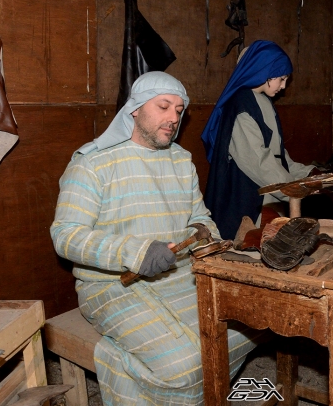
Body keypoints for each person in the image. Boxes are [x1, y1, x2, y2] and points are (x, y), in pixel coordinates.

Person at [50, 72, 262, 405]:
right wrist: (133, 250)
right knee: (184, 366)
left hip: (179, 275)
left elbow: (200, 218)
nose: (173, 118)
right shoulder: (92, 164)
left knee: (246, 328)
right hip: (113, 285)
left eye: (179, 110)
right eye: (163, 106)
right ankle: (121, 361)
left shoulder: (181, 161)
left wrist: (202, 234)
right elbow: (65, 236)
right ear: (135, 109)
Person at [201, 40, 316, 239]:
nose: (284, 86)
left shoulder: (263, 101)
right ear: (264, 72)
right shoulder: (241, 106)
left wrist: (307, 173)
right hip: (243, 202)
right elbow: (258, 161)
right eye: (281, 78)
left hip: (266, 195)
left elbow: (276, 153)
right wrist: (293, 189)